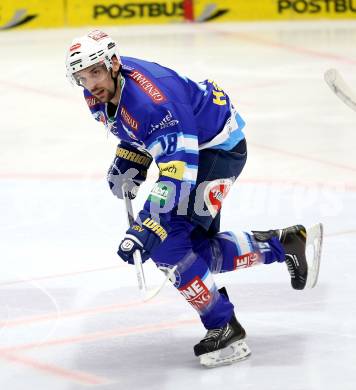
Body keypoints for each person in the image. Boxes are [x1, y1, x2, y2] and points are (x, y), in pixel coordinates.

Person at [65, 30, 322, 368]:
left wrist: (147, 224)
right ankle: (285, 244)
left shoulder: (153, 103)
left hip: (215, 150)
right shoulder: (100, 93)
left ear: (113, 64)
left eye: (95, 72)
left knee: (167, 243)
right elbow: (135, 131)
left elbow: (179, 170)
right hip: (195, 146)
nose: (90, 84)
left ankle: (224, 326)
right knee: (193, 252)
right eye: (81, 77)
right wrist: (131, 161)